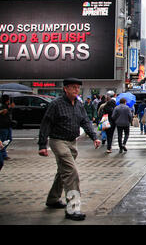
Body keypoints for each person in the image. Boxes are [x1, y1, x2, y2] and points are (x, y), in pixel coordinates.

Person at [38, 78, 101, 221]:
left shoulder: (78, 104)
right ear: (65, 89)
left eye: (78, 88)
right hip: (58, 141)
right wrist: (42, 145)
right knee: (71, 173)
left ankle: (53, 199)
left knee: (63, 172)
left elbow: (85, 121)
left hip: (72, 142)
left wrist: (94, 137)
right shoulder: (56, 104)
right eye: (73, 87)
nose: (76, 90)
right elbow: (46, 124)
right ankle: (73, 208)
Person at [0, 95, 15, 166]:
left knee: (9, 139)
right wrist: (3, 111)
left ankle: (2, 152)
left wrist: (11, 108)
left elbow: (9, 114)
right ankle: (3, 154)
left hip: (8, 125)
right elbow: (3, 113)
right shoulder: (2, 106)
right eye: (8, 99)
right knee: (3, 140)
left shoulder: (7, 106)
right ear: (6, 100)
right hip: (3, 126)